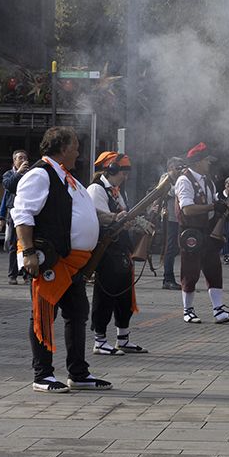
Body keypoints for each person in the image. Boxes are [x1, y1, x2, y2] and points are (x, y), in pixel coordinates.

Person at [11, 127, 111, 393]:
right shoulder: (40, 174)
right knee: (43, 316)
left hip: (72, 262)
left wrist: (110, 220)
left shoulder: (67, 177)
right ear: (63, 148)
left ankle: (78, 373)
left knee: (77, 314)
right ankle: (42, 374)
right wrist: (29, 252)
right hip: (50, 260)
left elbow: (81, 212)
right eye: (75, 146)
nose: (79, 151)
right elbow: (22, 214)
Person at [87, 152, 146, 356]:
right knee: (106, 294)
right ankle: (100, 340)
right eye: (123, 171)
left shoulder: (117, 191)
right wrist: (119, 218)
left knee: (123, 293)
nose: (125, 176)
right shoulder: (96, 189)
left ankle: (123, 337)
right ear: (111, 169)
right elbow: (100, 218)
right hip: (106, 248)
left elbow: (123, 216)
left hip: (120, 247)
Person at [175, 143, 229, 325]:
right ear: (197, 162)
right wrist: (213, 206)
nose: (209, 164)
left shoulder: (208, 180)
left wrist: (227, 203)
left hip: (208, 230)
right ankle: (187, 310)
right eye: (206, 160)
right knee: (190, 272)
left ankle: (219, 310)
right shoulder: (184, 180)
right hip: (191, 232)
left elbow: (214, 204)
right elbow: (187, 209)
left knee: (214, 269)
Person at [0, 150, 31, 285]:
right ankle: (12, 274)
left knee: (26, 244)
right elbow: (8, 188)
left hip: (27, 212)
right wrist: (1, 216)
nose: (23, 160)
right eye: (20, 158)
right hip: (13, 213)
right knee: (12, 245)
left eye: (25, 158)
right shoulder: (9, 175)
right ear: (14, 161)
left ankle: (26, 274)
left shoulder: (31, 175)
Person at [159, 157, 183, 291]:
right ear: (170, 168)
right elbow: (172, 191)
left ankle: (169, 277)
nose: (179, 170)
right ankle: (167, 279)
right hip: (169, 217)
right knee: (169, 248)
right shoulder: (165, 178)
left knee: (176, 248)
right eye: (177, 167)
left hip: (178, 217)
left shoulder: (180, 178)